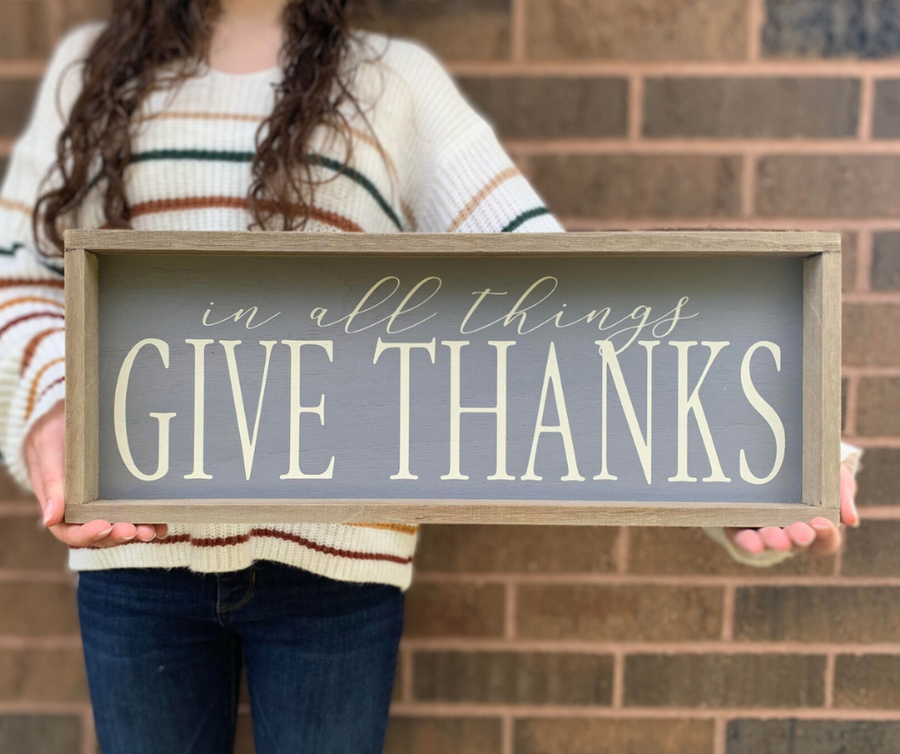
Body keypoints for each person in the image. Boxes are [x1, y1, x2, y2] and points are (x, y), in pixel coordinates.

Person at [0, 1, 862, 752]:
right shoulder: (92, 72)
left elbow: (552, 294)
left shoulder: (392, 83)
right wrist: (52, 414)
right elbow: (19, 278)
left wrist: (755, 454)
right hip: (135, 559)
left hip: (334, 570)